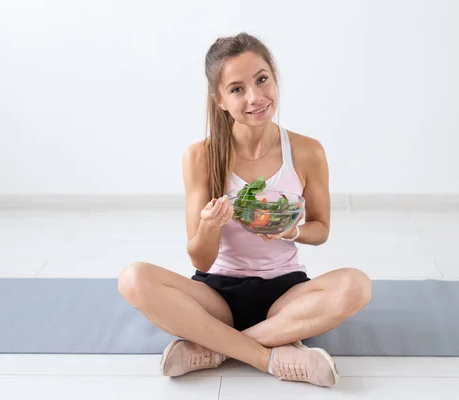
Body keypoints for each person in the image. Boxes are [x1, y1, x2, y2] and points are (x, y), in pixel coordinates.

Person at [118, 32, 371, 387]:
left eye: (262, 80)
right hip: (215, 295)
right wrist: (209, 226)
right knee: (133, 278)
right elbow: (200, 261)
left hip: (285, 295)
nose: (255, 97)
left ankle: (215, 346)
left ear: (274, 79)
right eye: (237, 89)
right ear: (219, 100)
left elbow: (321, 228)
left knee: (356, 285)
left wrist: (291, 230)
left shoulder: (307, 151)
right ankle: (269, 356)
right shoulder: (200, 156)